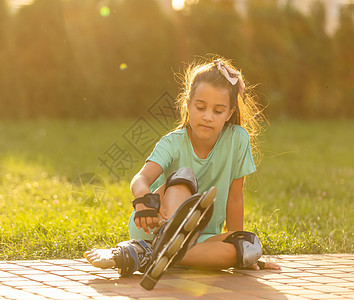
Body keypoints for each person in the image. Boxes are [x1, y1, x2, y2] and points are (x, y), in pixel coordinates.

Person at [85, 57, 280, 276]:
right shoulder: (173, 142)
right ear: (188, 104)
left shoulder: (238, 139)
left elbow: (235, 198)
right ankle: (161, 245)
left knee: (249, 244)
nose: (207, 117)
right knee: (185, 177)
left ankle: (150, 255)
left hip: (201, 237)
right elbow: (141, 178)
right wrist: (143, 203)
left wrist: (242, 254)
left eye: (218, 111)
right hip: (156, 224)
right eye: (200, 107)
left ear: (229, 113)